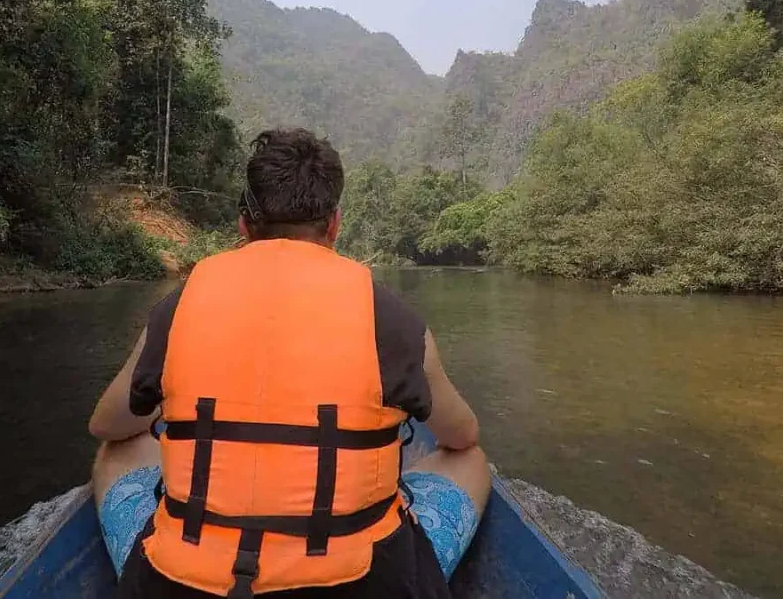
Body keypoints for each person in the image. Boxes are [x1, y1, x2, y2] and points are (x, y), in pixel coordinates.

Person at [89, 128, 490, 599]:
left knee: (117, 451)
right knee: (470, 461)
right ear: (334, 224)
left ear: (244, 225)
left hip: (185, 586)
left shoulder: (180, 307)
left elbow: (106, 424)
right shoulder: (392, 318)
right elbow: (462, 435)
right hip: (358, 584)